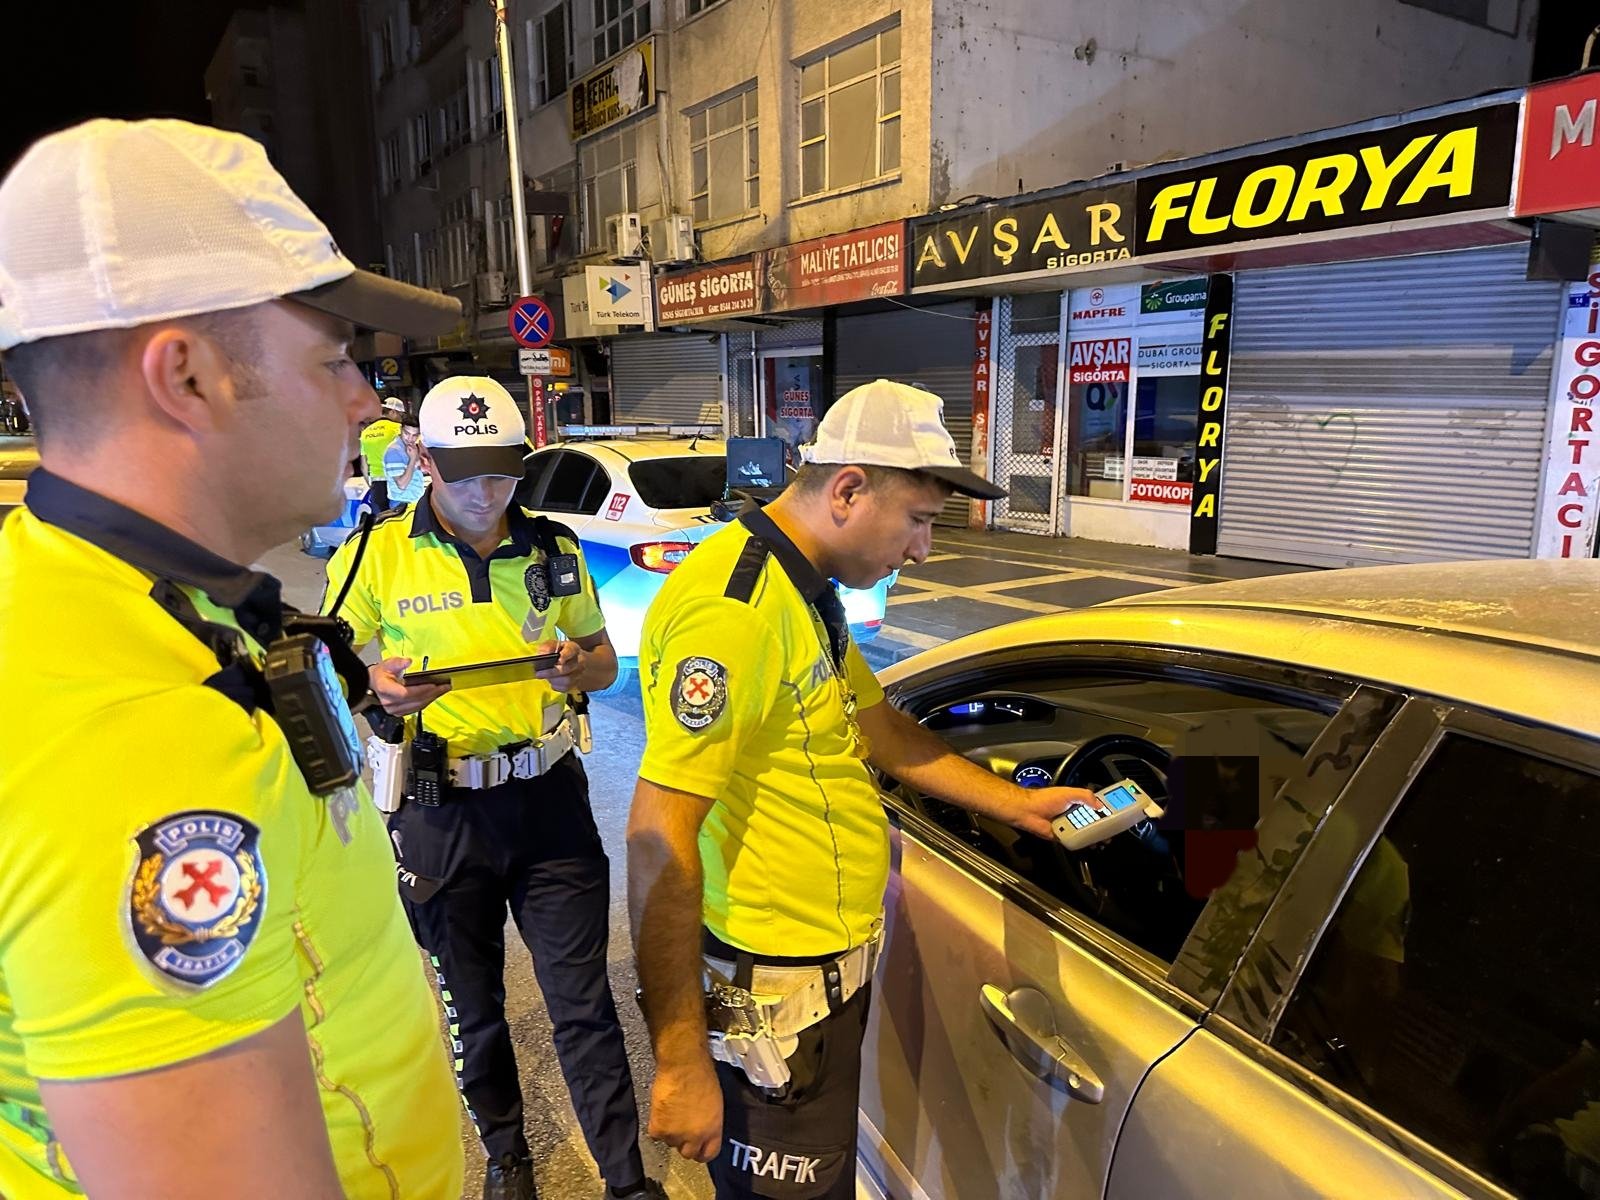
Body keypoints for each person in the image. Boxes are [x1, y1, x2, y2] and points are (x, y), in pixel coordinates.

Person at [0, 119, 465, 1198]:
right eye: (334, 359)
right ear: (189, 375)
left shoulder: (136, 600)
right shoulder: (126, 726)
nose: (368, 402)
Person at [626, 378, 1105, 1198]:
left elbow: (880, 728)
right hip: (771, 995)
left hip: (817, 987)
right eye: (918, 521)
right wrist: (678, 1060)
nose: (922, 550)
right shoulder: (736, 609)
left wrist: (1017, 804)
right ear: (848, 491)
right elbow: (657, 837)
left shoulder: (806, 589)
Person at [322, 376, 666, 1200]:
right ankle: (509, 1162)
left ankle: (626, 1182)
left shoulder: (553, 549)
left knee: (583, 1006)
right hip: (440, 812)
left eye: (504, 471)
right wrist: (376, 687)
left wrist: (584, 665)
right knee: (474, 1013)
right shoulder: (373, 555)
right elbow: (329, 674)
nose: (487, 491)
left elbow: (604, 660)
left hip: (550, 802)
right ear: (424, 460)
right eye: (467, 470)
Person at [360, 394, 407, 511]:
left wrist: (371, 484)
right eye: (400, 414)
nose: (401, 418)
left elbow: (364, 465)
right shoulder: (398, 428)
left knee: (381, 522)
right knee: (399, 520)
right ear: (392, 412)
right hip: (397, 480)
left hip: (376, 483)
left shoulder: (366, 432)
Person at [381, 405, 428, 507]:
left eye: (415, 435)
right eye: (407, 433)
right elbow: (402, 485)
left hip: (413, 501)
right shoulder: (394, 451)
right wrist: (412, 460)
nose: (410, 438)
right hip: (401, 504)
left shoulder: (412, 448)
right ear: (401, 429)